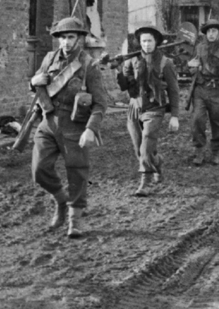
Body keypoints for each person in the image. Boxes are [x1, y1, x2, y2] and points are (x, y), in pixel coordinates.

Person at [30, 17, 111, 238]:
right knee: (39, 170)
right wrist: (34, 81)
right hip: (48, 121)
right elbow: (38, 86)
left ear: (80, 39)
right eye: (63, 38)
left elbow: (101, 103)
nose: (66, 42)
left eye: (71, 37)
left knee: (77, 171)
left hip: (75, 125)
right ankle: (60, 200)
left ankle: (75, 221)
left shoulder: (88, 66)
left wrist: (91, 129)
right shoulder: (49, 58)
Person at [120, 24, 180, 197]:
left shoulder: (165, 63)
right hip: (135, 107)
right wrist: (118, 68)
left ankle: (144, 183)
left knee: (147, 141)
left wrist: (174, 116)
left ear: (156, 42)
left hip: (155, 108)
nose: (146, 45)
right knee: (139, 147)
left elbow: (174, 90)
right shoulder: (131, 61)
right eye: (143, 41)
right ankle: (157, 162)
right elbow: (124, 85)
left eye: (150, 41)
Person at [187, 20, 219, 165]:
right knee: (197, 119)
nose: (211, 34)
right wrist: (191, 66)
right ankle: (199, 151)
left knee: (218, 122)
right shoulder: (199, 48)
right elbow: (192, 67)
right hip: (201, 89)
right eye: (209, 31)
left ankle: (215, 151)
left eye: (214, 31)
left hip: (218, 91)